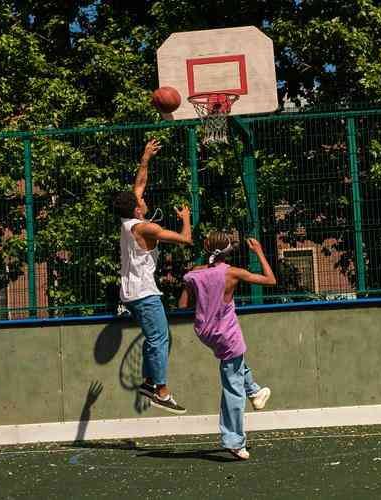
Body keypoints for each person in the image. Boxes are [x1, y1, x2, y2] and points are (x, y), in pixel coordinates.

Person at [179, 232, 275, 460]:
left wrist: (188, 281)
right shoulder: (232, 272)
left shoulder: (193, 274)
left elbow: (183, 305)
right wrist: (259, 252)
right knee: (233, 389)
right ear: (228, 251)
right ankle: (233, 440)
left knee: (236, 362)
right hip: (227, 333)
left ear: (205, 247)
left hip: (205, 333)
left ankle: (254, 391)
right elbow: (270, 280)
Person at [112, 139, 191, 414]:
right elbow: (186, 240)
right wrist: (186, 217)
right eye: (141, 201)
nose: (143, 198)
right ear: (137, 209)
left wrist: (145, 158)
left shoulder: (126, 221)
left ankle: (147, 382)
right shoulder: (146, 228)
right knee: (160, 339)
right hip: (144, 293)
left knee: (154, 338)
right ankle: (161, 391)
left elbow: (139, 185)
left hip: (130, 293)